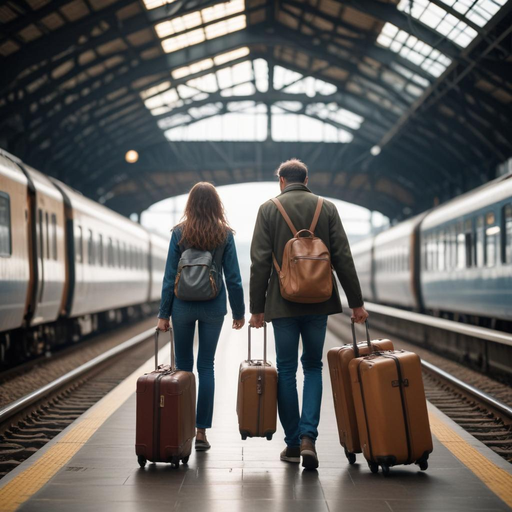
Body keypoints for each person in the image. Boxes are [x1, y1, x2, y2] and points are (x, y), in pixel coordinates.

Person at [249, 159, 369, 470]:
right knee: (313, 367)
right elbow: (342, 256)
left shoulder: (268, 209)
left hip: (283, 304)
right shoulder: (326, 208)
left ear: (281, 181)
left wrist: (256, 309)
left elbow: (260, 262)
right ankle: (308, 439)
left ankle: (291, 445)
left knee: (286, 371)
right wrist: (356, 303)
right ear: (306, 179)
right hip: (319, 301)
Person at [157, 182, 245, 451]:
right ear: (216, 204)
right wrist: (239, 312)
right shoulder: (224, 234)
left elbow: (170, 276)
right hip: (213, 306)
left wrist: (164, 314)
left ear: (190, 204)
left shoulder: (179, 233)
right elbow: (233, 278)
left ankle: (182, 427)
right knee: (207, 366)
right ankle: (201, 432)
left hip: (182, 307)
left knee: (184, 367)